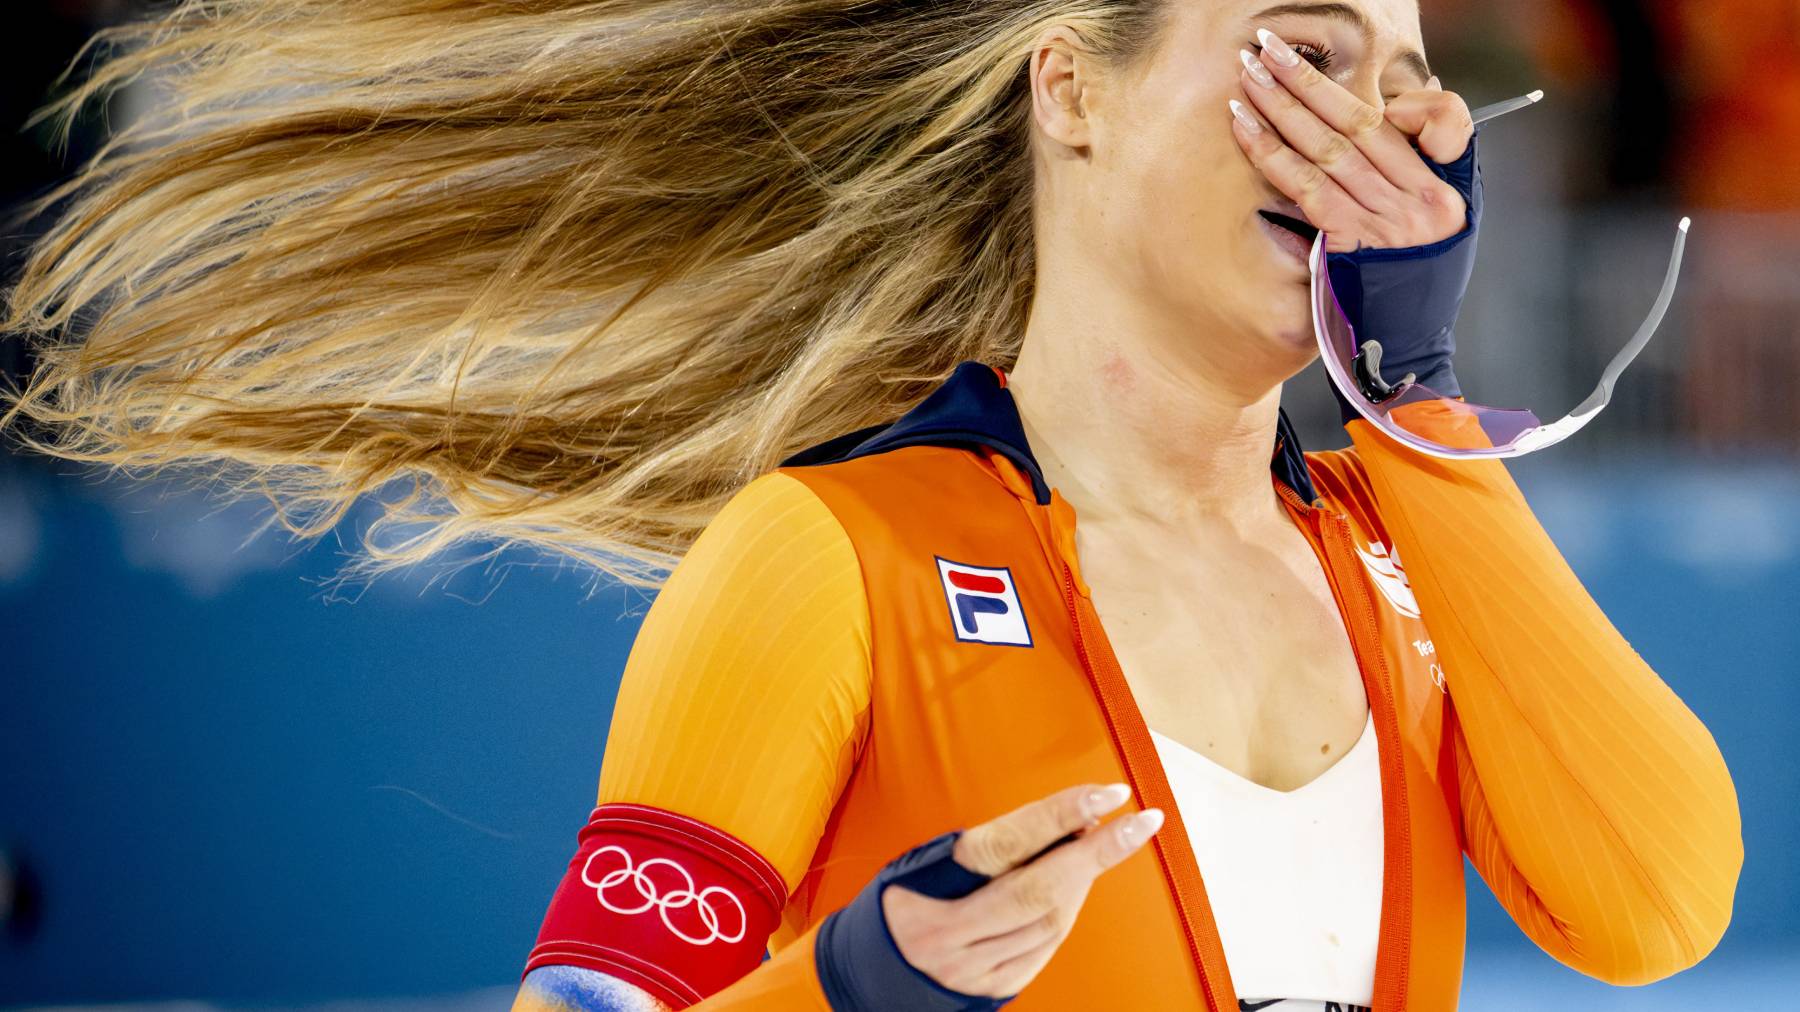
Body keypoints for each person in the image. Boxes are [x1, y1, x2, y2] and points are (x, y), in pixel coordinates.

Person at [0, 0, 1740, 1009]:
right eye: (1306, 55)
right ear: (1072, 90)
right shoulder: (836, 556)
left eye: (1406, 78)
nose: (1378, 130)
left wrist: (1411, 395)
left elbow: (1657, 914)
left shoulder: (1392, 546)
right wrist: (863, 982)